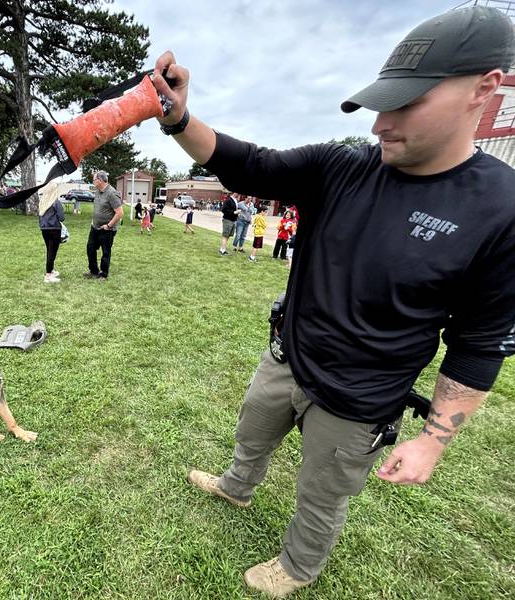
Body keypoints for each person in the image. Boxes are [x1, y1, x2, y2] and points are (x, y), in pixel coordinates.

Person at [152, 6, 515, 597]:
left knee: (321, 494)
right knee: (251, 433)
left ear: (484, 89)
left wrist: (434, 440)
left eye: (407, 105)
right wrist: (179, 116)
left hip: (360, 400)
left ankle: (297, 566)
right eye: (381, 104)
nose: (380, 125)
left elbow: (478, 344)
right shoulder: (341, 167)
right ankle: (237, 487)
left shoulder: (501, 211)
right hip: (287, 355)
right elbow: (249, 164)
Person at [84, 171, 123, 279]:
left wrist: (109, 226)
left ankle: (103, 274)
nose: (93, 181)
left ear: (100, 180)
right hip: (95, 227)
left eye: (94, 179)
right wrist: (93, 221)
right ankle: (93, 271)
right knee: (90, 248)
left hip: (107, 229)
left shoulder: (112, 193)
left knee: (105, 252)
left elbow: (120, 213)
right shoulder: (97, 191)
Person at [38, 183, 66, 283]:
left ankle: (51, 270)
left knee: (49, 250)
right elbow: (62, 217)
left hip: (44, 229)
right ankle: (48, 275)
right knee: (52, 252)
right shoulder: (56, 202)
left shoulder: (42, 201)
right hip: (54, 229)